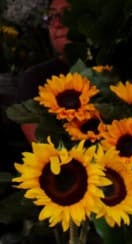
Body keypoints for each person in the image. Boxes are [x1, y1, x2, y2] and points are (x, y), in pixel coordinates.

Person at [16, 0, 72, 142]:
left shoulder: (111, 70)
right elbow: (41, 145)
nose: (58, 24)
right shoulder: (35, 79)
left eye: (66, 14)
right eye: (51, 16)